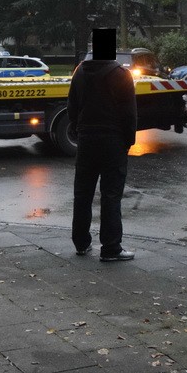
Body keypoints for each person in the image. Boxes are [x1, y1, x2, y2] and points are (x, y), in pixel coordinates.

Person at [68, 28, 137, 262]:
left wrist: (80, 131)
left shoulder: (79, 73)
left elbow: (72, 108)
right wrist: (128, 141)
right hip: (112, 141)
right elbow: (129, 114)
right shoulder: (121, 75)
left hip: (87, 140)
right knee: (111, 194)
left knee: (83, 193)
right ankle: (110, 248)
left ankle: (81, 243)